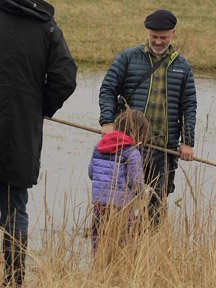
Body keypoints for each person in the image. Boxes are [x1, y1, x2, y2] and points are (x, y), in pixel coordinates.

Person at [0, 0, 78, 285]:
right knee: (14, 209)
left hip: (21, 128)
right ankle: (14, 279)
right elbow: (65, 78)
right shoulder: (47, 27)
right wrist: (39, 107)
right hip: (21, 135)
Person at [99, 9, 197, 228]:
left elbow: (189, 106)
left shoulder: (183, 67)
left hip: (164, 150)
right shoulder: (128, 58)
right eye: (154, 36)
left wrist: (187, 142)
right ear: (148, 33)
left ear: (173, 33)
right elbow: (107, 89)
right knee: (121, 203)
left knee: (155, 206)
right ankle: (118, 245)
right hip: (127, 148)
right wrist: (106, 122)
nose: (158, 41)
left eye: (163, 37)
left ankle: (147, 250)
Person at [88, 110, 149, 256]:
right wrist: (141, 193)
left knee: (99, 240)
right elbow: (135, 180)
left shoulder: (99, 147)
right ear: (138, 133)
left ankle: (99, 266)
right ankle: (124, 270)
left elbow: (91, 173)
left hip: (100, 206)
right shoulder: (132, 152)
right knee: (126, 241)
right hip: (121, 208)